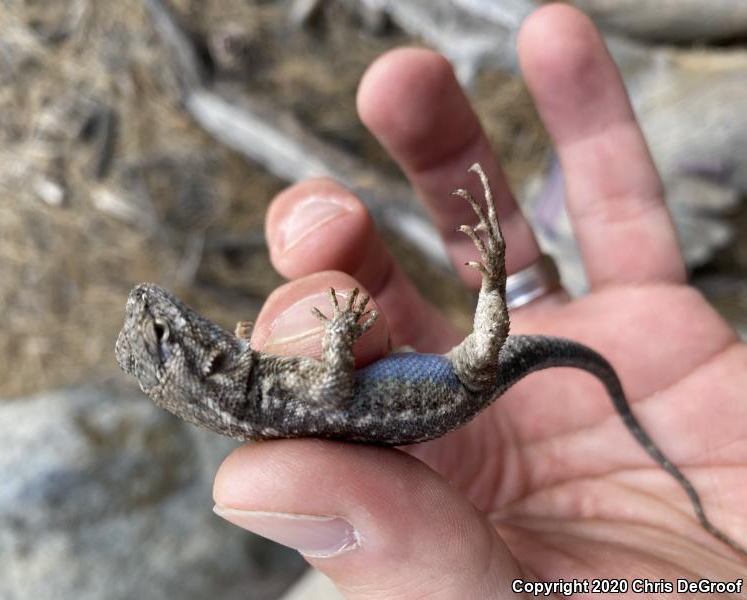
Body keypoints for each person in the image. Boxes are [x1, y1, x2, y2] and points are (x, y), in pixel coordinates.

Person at [213, 4, 747, 596]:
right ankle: (496, 270)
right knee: (475, 359)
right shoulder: (258, 410)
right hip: (445, 393)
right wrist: (342, 333)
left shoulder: (249, 407)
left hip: (412, 393)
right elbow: (331, 389)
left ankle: (499, 275)